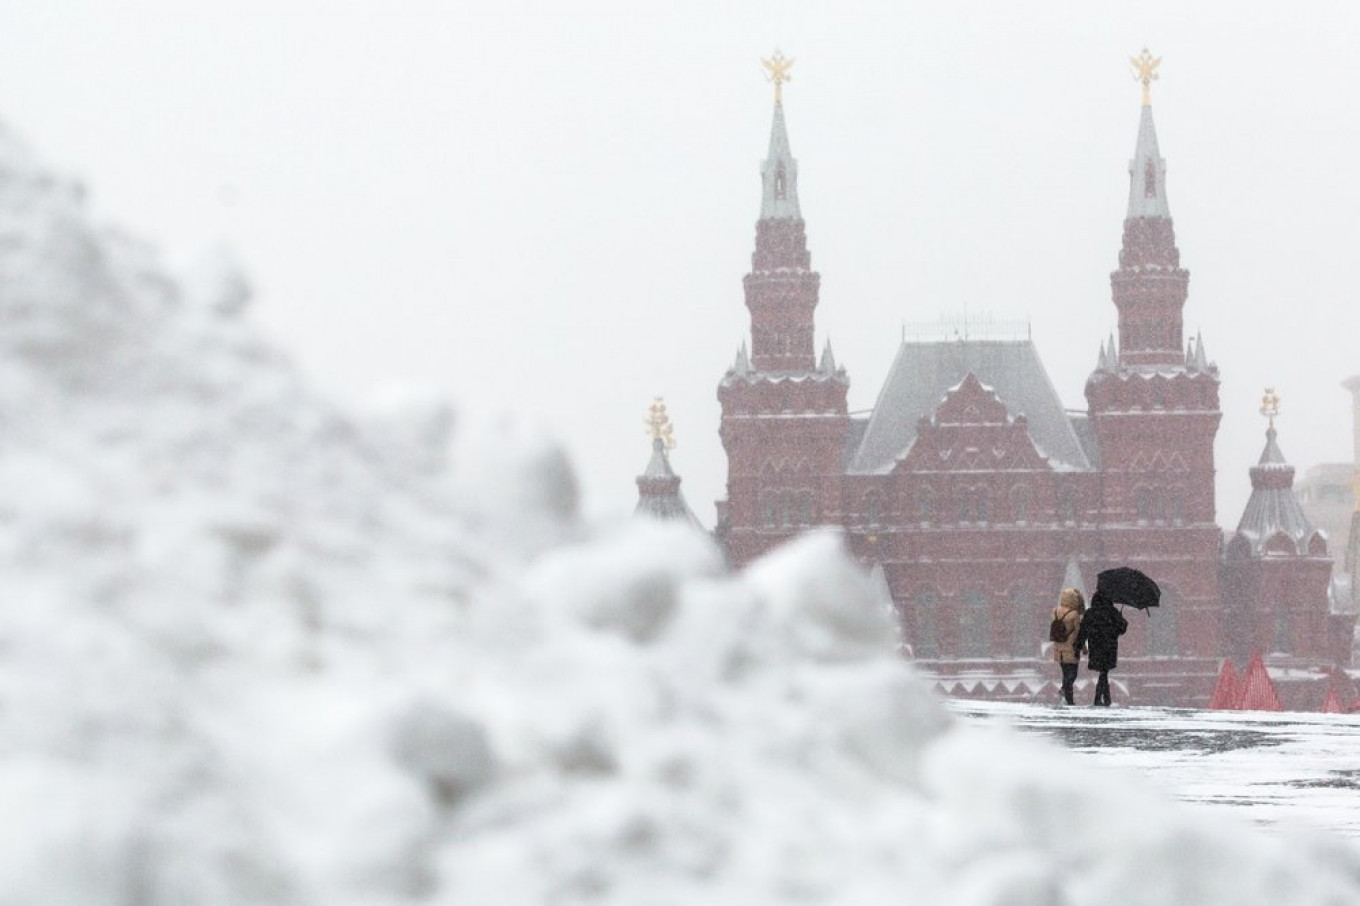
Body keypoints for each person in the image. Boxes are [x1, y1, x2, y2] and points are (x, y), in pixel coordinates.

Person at [1075, 590, 1129, 706]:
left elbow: (1083, 630)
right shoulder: (1112, 612)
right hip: (1110, 646)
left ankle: (1103, 698)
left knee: (1103, 671)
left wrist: (1079, 645)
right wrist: (1119, 620)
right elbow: (1123, 628)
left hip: (1096, 646)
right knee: (1104, 671)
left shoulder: (1091, 613)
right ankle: (1102, 698)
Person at [1051, 588, 1085, 705]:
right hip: (1071, 648)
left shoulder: (1055, 611)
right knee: (1073, 674)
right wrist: (1084, 648)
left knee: (1065, 673)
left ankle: (1069, 700)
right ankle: (1064, 690)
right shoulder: (1074, 614)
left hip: (1058, 647)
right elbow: (1078, 633)